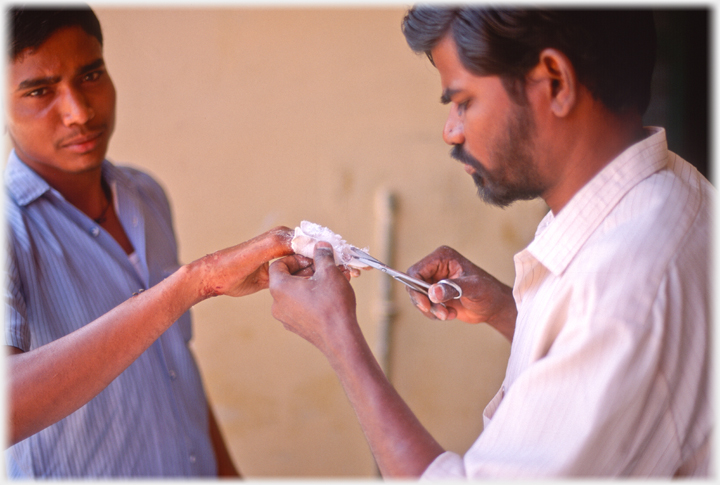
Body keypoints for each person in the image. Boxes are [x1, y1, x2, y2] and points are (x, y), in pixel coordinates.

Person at [268, 6, 712, 478]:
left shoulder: (626, 292)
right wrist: (508, 310)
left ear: (555, 82)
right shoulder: (672, 192)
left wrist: (339, 337)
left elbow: (613, 324)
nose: (451, 131)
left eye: (462, 101)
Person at [3, 5, 297, 477]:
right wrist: (196, 282)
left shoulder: (145, 195)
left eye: (91, 74)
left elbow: (174, 368)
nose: (79, 112)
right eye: (39, 91)